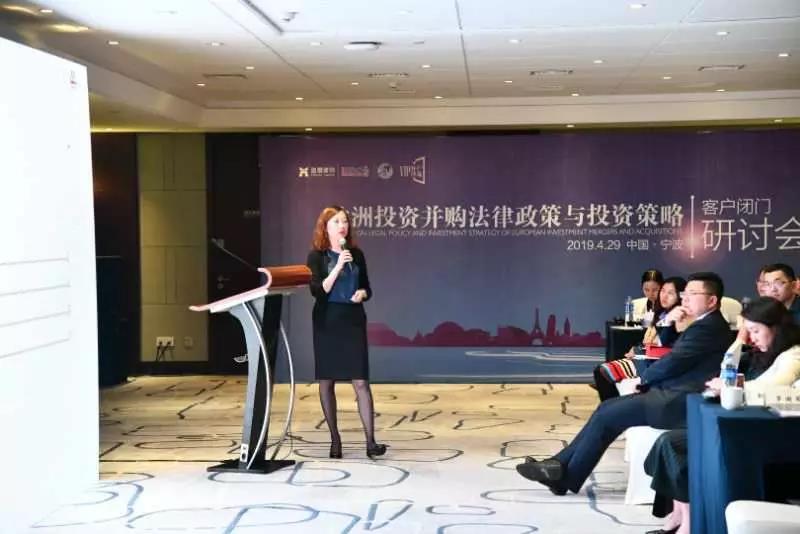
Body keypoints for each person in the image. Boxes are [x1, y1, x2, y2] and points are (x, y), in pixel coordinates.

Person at [515, 272, 731, 496]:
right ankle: (560, 469)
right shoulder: (704, 324)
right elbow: (669, 347)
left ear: (711, 300)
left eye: (692, 294)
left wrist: (644, 379)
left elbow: (674, 361)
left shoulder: (708, 328)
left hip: (676, 401)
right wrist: (669, 322)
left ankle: (561, 473)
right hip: (671, 392)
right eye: (685, 293)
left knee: (607, 415)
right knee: (606, 410)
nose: (685, 298)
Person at [643, 296, 800, 534]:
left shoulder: (793, 355)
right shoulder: (766, 353)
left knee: (675, 445)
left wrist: (731, 387)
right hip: (753, 427)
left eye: (755, 331)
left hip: (774, 436)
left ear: (776, 328)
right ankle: (681, 516)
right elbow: (730, 365)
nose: (752, 338)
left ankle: (689, 524)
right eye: (749, 332)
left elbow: (772, 387)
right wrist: (739, 341)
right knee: (670, 443)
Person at [306, 205, 387, 459]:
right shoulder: (316, 257)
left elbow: (367, 287)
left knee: (361, 381)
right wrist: (338, 266)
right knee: (327, 381)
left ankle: (371, 442)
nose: (343, 226)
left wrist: (362, 293)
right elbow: (318, 291)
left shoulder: (357, 254)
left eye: (345, 221)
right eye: (336, 222)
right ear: (325, 227)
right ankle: (335, 440)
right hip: (327, 321)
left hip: (353, 320)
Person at [593, 277, 688, 401]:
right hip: (644, 359)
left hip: (653, 365)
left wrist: (668, 321)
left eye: (670, 293)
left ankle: (614, 406)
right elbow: (649, 341)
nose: (664, 296)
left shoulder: (680, 317)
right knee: (602, 372)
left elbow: (663, 343)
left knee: (603, 372)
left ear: (680, 296)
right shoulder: (661, 313)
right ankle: (612, 406)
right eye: (663, 291)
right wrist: (637, 348)